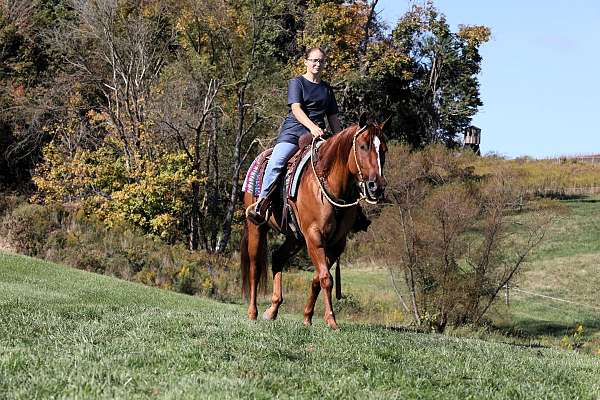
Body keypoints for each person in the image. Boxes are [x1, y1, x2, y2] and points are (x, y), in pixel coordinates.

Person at [247, 47, 370, 232]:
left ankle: (355, 211)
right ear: (305, 62)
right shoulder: (297, 83)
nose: (317, 64)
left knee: (343, 166)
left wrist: (341, 143)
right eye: (313, 60)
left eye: (320, 61)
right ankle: (262, 203)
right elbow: (296, 109)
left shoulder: (327, 89)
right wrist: (312, 127)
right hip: (293, 133)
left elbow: (333, 118)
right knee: (277, 162)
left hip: (319, 136)